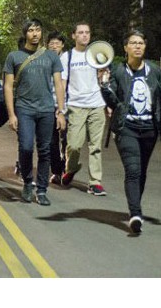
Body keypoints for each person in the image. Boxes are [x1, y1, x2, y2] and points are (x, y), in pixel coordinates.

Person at [98, 30, 161, 234]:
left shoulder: (154, 71)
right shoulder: (117, 71)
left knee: (141, 171)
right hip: (127, 128)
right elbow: (113, 102)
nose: (137, 46)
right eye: (133, 43)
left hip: (149, 129)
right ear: (125, 48)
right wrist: (105, 86)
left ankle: (135, 209)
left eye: (141, 43)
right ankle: (135, 213)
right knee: (133, 170)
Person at [3, 19, 66, 206]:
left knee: (45, 150)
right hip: (24, 109)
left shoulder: (51, 57)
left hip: (47, 109)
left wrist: (60, 111)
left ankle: (42, 189)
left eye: (38, 30)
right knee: (26, 147)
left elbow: (58, 84)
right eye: (31, 30)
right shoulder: (14, 56)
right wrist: (11, 114)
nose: (35, 33)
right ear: (25, 34)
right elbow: (7, 86)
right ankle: (27, 182)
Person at [60, 22, 108, 196]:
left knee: (95, 146)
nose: (84, 35)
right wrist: (61, 107)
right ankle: (70, 169)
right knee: (74, 145)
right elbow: (62, 83)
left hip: (97, 104)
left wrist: (104, 74)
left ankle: (95, 182)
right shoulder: (67, 57)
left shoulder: (96, 55)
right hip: (76, 106)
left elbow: (104, 79)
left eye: (87, 32)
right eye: (80, 32)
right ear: (73, 36)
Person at [47, 31, 68, 184]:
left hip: (68, 106)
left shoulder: (68, 61)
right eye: (52, 43)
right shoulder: (44, 61)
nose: (54, 46)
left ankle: (66, 168)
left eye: (57, 43)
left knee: (68, 141)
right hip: (49, 105)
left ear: (62, 45)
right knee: (51, 142)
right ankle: (56, 171)